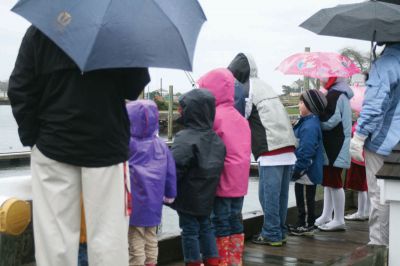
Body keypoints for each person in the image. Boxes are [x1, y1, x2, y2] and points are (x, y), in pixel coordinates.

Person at [8, 26, 150, 266]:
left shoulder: (41, 30)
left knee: (54, 244)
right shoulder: (119, 31)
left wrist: (34, 138)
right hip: (106, 145)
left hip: (53, 145)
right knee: (109, 241)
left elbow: (19, 88)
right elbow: (133, 88)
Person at [228, 53, 297, 247]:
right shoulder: (265, 86)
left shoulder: (245, 88)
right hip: (288, 146)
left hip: (270, 148)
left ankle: (272, 233)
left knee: (268, 195)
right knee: (281, 196)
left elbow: (240, 116)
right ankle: (280, 230)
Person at [197, 68, 251, 265]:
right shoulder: (240, 118)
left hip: (221, 180)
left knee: (219, 221)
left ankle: (220, 260)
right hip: (239, 181)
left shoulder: (213, 117)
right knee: (235, 219)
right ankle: (235, 260)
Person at [350, 42, 400, 246]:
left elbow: (374, 104)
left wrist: (359, 136)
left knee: (380, 198)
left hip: (383, 144)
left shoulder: (388, 62)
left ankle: (380, 248)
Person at [171, 89, 226, 266]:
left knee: (189, 230)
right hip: (207, 195)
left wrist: (167, 190)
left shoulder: (184, 137)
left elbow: (175, 167)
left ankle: (193, 262)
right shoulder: (216, 139)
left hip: (187, 195)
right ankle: (212, 260)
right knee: (206, 226)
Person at [126, 100, 177, 266]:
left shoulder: (127, 144)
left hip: (133, 202)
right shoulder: (161, 145)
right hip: (154, 201)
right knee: (151, 237)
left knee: (135, 241)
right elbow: (170, 172)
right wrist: (170, 195)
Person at [315, 77, 353, 232]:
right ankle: (327, 215)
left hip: (335, 145)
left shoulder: (335, 94)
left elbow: (332, 119)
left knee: (335, 183)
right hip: (337, 144)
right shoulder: (339, 93)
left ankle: (338, 218)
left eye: (322, 78)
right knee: (329, 182)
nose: (321, 80)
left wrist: (316, 121)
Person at [289, 89, 327, 236]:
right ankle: (303, 223)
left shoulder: (310, 126)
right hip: (305, 171)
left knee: (305, 198)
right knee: (303, 197)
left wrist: (298, 169)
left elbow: (307, 152)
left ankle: (306, 224)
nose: (298, 105)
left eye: (301, 102)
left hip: (306, 172)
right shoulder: (307, 122)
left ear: (310, 106)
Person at [345, 119, 369, 222]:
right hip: (363, 157)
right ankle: (365, 211)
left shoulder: (363, 121)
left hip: (359, 158)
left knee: (361, 187)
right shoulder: (363, 120)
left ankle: (361, 212)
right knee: (365, 187)